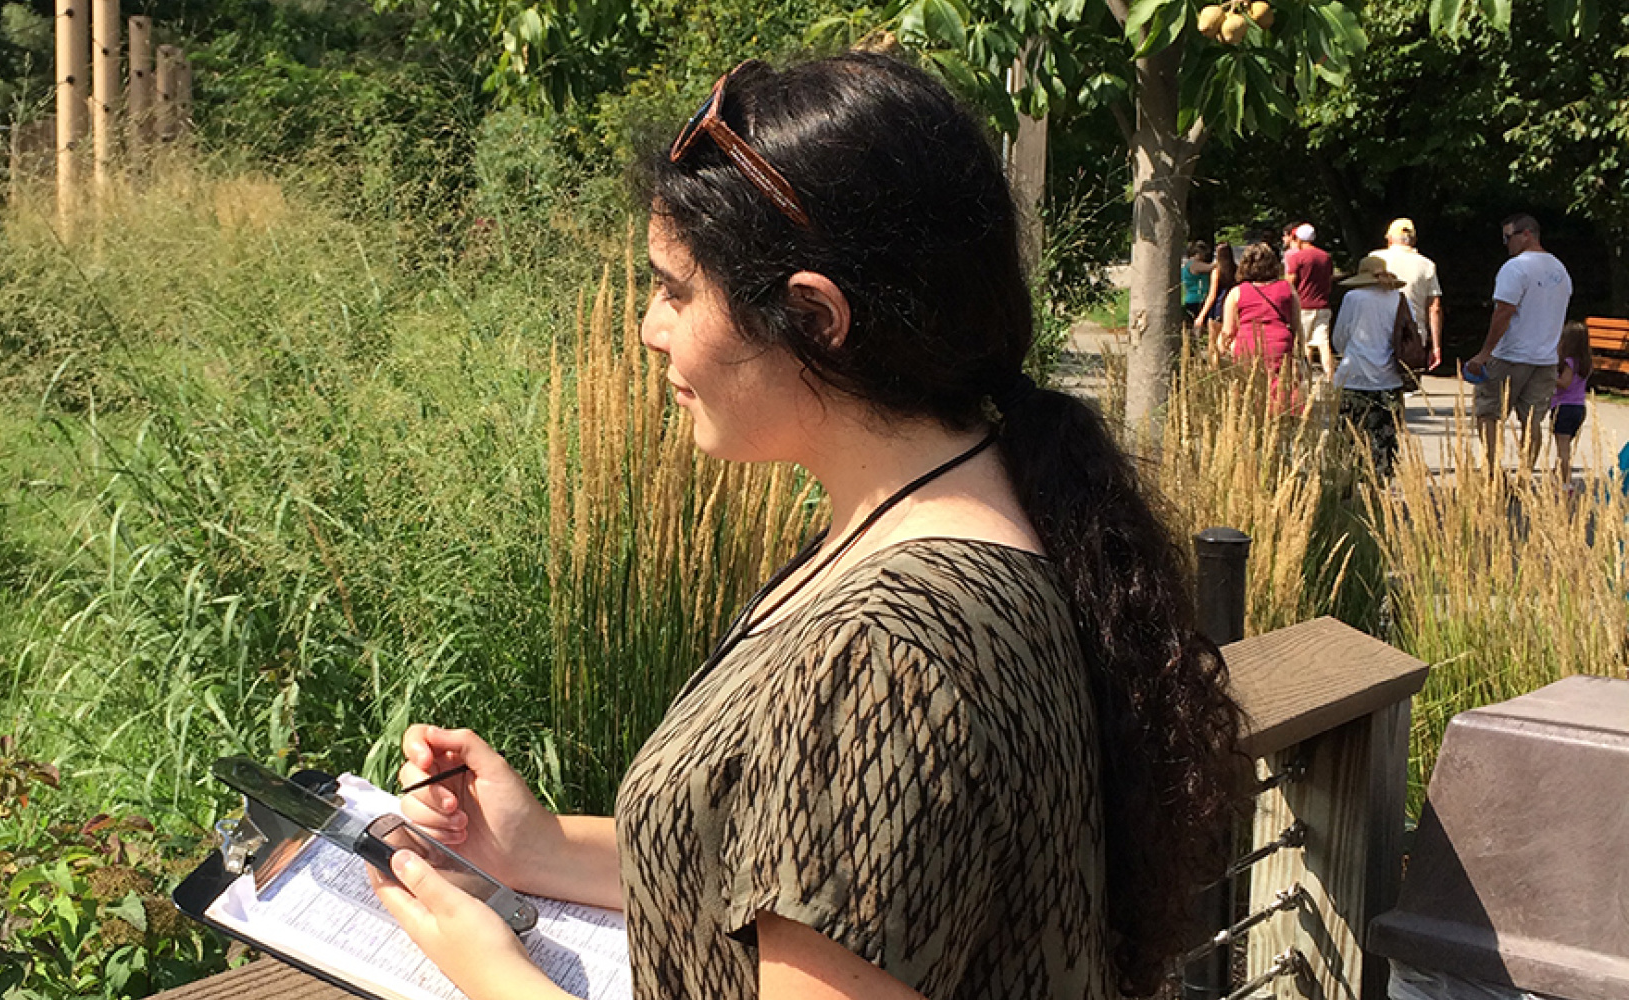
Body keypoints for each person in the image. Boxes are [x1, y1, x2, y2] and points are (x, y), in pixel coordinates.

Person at [368, 54, 1243, 1000]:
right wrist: (534, 848)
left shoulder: (887, 657)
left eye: (675, 291)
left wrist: (493, 978)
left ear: (814, 316)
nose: (648, 327)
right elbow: (797, 867)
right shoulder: (964, 511)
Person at [1464, 214, 1573, 473]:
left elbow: (1504, 311)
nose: (1506, 243)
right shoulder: (1560, 269)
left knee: (1489, 413)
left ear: (1526, 234)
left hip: (1511, 355)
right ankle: (1525, 474)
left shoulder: (1515, 268)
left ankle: (1491, 472)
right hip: (1544, 358)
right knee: (1532, 420)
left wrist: (1485, 353)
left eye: (1508, 237)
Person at [1331, 256, 1416, 477]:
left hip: (1354, 374)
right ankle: (1381, 487)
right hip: (1389, 377)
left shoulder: (1353, 298)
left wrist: (1343, 352)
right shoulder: (1398, 298)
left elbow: (1340, 335)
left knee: (1349, 437)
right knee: (1384, 439)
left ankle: (1351, 485)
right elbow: (1411, 333)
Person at [1222, 240, 1302, 411]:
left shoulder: (1236, 292)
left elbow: (1228, 331)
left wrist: (1220, 349)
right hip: (1280, 344)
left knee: (1249, 390)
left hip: (1247, 346)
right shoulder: (1287, 288)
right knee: (1281, 390)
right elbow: (1296, 324)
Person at [1371, 218, 1445, 372]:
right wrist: (1436, 346)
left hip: (1376, 332)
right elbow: (1434, 308)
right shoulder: (1427, 265)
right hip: (1412, 337)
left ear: (1389, 239)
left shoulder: (1374, 260)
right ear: (1414, 240)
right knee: (1408, 384)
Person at [1283, 223, 1336, 381]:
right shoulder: (1325, 257)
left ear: (1298, 238)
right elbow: (1330, 280)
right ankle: (1330, 376)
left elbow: (1290, 282)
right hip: (1323, 304)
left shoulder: (1297, 257)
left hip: (1303, 305)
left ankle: (1306, 377)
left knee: (1303, 343)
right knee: (1323, 342)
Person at [1552, 320, 1592, 488]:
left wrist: (1549, 377)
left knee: (1563, 448)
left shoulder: (1569, 362)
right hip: (1578, 407)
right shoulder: (1586, 363)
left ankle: (1565, 483)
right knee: (1565, 445)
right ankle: (1557, 477)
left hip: (1564, 407)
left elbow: (1565, 383)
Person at [1197, 241, 1237, 345]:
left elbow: (1212, 295)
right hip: (1233, 309)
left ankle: (1214, 361)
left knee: (1213, 344)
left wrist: (1201, 315)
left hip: (1217, 309)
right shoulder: (1237, 270)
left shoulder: (1217, 271)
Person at [1182, 240, 1213, 338]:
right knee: (1198, 327)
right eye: (1203, 254)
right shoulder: (1194, 264)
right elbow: (1211, 267)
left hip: (1192, 298)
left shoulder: (1187, 265)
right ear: (1197, 254)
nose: (1205, 257)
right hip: (1197, 299)